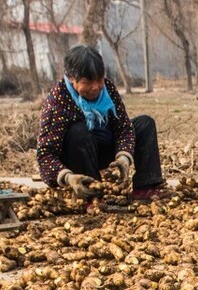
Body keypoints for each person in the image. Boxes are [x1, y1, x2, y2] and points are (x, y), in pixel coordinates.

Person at [36, 45, 165, 201]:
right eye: (87, 82)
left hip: (103, 148)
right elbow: (45, 154)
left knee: (145, 123)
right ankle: (91, 194)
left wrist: (124, 157)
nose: (95, 87)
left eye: (99, 80)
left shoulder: (108, 89)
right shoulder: (58, 100)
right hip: (77, 155)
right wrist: (68, 177)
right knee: (78, 131)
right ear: (71, 77)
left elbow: (123, 128)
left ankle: (145, 188)